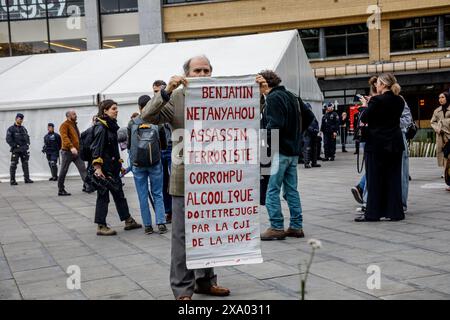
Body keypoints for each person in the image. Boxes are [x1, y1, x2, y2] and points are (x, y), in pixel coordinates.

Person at [141, 55, 231, 300]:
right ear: (186, 74)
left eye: (206, 70)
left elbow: (246, 118)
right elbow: (147, 116)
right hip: (185, 179)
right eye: (197, 70)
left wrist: (262, 96)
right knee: (182, 237)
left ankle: (206, 280)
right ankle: (182, 288)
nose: (202, 74)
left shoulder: (222, 97)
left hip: (214, 177)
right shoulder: (176, 98)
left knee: (209, 231)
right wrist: (166, 90)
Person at [258, 70, 305, 241]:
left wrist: (265, 141)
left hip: (279, 150)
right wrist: (295, 137)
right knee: (291, 190)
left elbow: (275, 124)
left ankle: (277, 226)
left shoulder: (273, 98)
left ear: (264, 84)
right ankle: (296, 226)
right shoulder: (292, 96)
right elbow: (309, 117)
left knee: (272, 190)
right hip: (292, 151)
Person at [355, 73, 405, 222]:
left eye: (378, 83)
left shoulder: (376, 100)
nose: (376, 85)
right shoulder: (399, 100)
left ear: (383, 84)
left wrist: (365, 106)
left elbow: (365, 117)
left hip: (377, 143)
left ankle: (373, 213)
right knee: (394, 178)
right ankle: (395, 212)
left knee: (374, 179)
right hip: (395, 143)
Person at [91, 100, 142, 236]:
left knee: (119, 195)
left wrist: (119, 166)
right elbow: (97, 148)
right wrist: (97, 168)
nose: (116, 111)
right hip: (104, 169)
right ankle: (101, 226)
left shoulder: (110, 126)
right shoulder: (101, 128)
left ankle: (128, 220)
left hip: (113, 168)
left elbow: (113, 148)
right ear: (105, 111)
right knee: (103, 196)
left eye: (116, 108)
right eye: (113, 109)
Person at [128, 95, 167, 235]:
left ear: (139, 107)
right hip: (155, 162)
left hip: (138, 164)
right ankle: (161, 222)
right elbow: (163, 144)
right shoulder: (157, 122)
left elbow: (128, 144)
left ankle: (148, 226)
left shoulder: (132, 123)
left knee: (142, 195)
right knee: (158, 193)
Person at [153, 80, 173, 224]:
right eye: (154, 91)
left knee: (175, 182)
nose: (157, 94)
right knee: (162, 182)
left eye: (159, 91)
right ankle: (168, 211)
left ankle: (177, 210)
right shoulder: (153, 106)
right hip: (160, 149)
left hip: (173, 147)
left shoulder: (172, 103)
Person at [58, 110, 90, 196]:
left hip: (77, 152)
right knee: (64, 170)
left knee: (83, 168)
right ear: (68, 116)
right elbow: (64, 137)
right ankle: (61, 189)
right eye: (74, 114)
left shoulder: (74, 125)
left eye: (75, 114)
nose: (76, 115)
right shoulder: (64, 125)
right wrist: (71, 147)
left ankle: (88, 186)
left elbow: (77, 138)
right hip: (67, 152)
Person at [6, 113, 33, 185]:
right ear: (16, 118)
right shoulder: (11, 129)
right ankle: (12, 180)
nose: (20, 120)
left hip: (24, 149)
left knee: (25, 164)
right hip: (16, 149)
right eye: (19, 119)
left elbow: (27, 137)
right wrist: (15, 145)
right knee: (13, 164)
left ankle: (27, 179)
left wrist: (28, 144)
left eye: (21, 119)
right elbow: (8, 139)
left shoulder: (23, 128)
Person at [431, 92, 450, 189]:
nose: (440, 99)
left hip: (449, 136)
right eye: (439, 98)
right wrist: (437, 128)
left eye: (442, 97)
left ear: (447, 98)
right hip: (441, 137)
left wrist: (443, 122)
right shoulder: (436, 111)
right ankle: (447, 175)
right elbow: (432, 122)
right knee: (444, 155)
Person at [303, 103, 321, 169]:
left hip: (314, 135)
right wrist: (312, 130)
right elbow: (306, 125)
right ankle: (307, 163)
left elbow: (317, 123)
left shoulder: (312, 115)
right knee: (307, 149)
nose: (309, 109)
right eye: (308, 108)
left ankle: (314, 162)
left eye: (310, 108)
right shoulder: (304, 116)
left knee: (314, 149)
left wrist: (317, 130)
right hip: (307, 134)